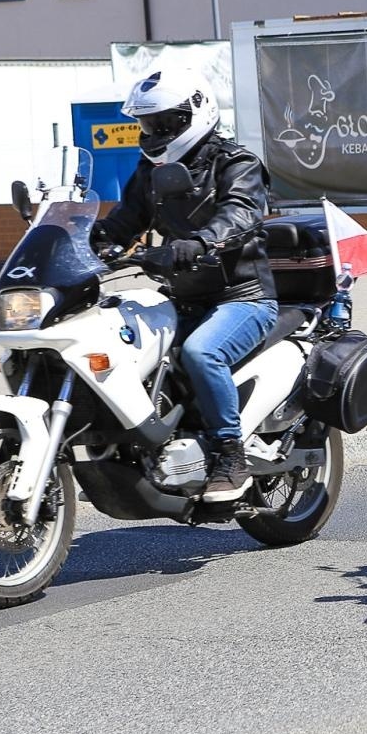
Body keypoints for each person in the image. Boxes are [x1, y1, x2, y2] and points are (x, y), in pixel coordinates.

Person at [90, 68, 278, 503]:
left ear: (196, 112)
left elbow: (241, 212)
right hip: (180, 296)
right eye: (148, 124)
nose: (154, 132)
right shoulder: (151, 170)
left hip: (242, 296)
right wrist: (89, 242)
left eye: (165, 123)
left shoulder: (237, 163)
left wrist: (199, 242)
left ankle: (231, 455)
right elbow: (124, 223)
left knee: (201, 352)